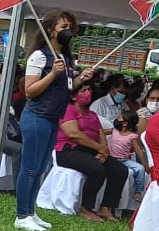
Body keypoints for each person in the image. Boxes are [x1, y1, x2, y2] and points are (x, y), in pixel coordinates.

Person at [15, 11, 92, 231]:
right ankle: (22, 215)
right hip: (37, 116)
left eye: (70, 27)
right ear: (50, 30)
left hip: (52, 118)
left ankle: (30, 212)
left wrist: (80, 79)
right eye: (63, 27)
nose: (68, 31)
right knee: (30, 168)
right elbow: (30, 91)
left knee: (40, 168)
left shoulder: (64, 58)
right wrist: (52, 74)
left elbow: (65, 88)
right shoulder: (39, 56)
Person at [54, 86, 128, 221]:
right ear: (73, 96)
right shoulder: (67, 109)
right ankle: (86, 208)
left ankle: (106, 207)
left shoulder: (92, 115)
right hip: (69, 150)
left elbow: (101, 135)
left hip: (91, 150)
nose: (88, 93)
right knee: (96, 169)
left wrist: (104, 151)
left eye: (89, 90)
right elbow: (73, 134)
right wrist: (99, 148)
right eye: (83, 91)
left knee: (120, 170)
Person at [109, 111, 149, 198]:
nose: (117, 120)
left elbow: (138, 150)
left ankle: (138, 192)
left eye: (119, 118)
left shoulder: (132, 136)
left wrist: (145, 165)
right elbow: (101, 132)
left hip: (124, 160)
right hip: (111, 158)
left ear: (125, 123)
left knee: (140, 169)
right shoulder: (114, 130)